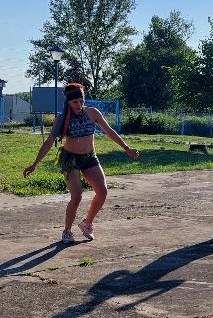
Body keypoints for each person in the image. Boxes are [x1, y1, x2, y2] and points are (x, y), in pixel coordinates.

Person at [23, 83, 139, 243]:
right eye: (74, 102)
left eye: (81, 101)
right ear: (68, 102)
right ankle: (67, 231)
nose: (78, 105)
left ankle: (87, 223)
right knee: (77, 196)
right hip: (70, 159)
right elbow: (49, 141)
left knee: (102, 191)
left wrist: (126, 148)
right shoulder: (62, 119)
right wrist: (35, 164)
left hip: (90, 157)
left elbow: (109, 131)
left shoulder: (93, 113)